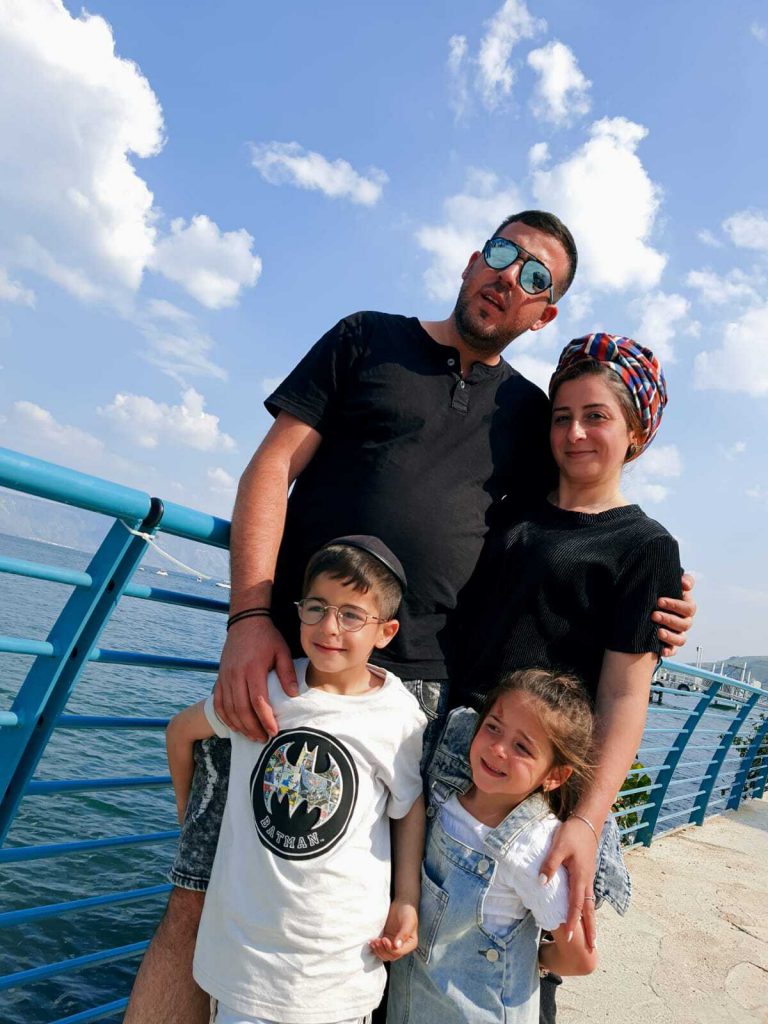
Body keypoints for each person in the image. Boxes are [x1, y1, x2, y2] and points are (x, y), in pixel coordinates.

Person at [124, 213, 695, 1023]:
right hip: (291, 665)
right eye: (503, 253)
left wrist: (659, 601)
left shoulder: (527, 415)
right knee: (199, 891)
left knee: (366, 925)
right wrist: (249, 615)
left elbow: (587, 535)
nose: (511, 276)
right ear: (471, 260)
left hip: (418, 707)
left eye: (537, 277)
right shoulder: (366, 340)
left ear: (545, 314)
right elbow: (272, 467)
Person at [452, 333, 682, 1018]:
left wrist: (585, 819)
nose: (575, 433)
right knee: (427, 942)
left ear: (636, 432)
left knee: (512, 968)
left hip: (538, 787)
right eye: (562, 417)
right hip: (459, 753)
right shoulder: (513, 508)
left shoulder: (645, 547)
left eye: (596, 416)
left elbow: (624, 693)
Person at [165, 535, 426, 1024]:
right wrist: (188, 819)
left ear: (386, 631)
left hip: (337, 971)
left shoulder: (398, 715)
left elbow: (408, 804)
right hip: (245, 967)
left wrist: (406, 898)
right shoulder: (265, 689)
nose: (329, 627)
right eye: (316, 608)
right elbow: (180, 733)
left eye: (352, 615)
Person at [387, 669, 616, 1023]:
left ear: (555, 775)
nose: (497, 749)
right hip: (413, 1006)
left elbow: (581, 958)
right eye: (493, 727)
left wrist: (533, 959)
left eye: (522, 747)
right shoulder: (443, 794)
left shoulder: (535, 848)